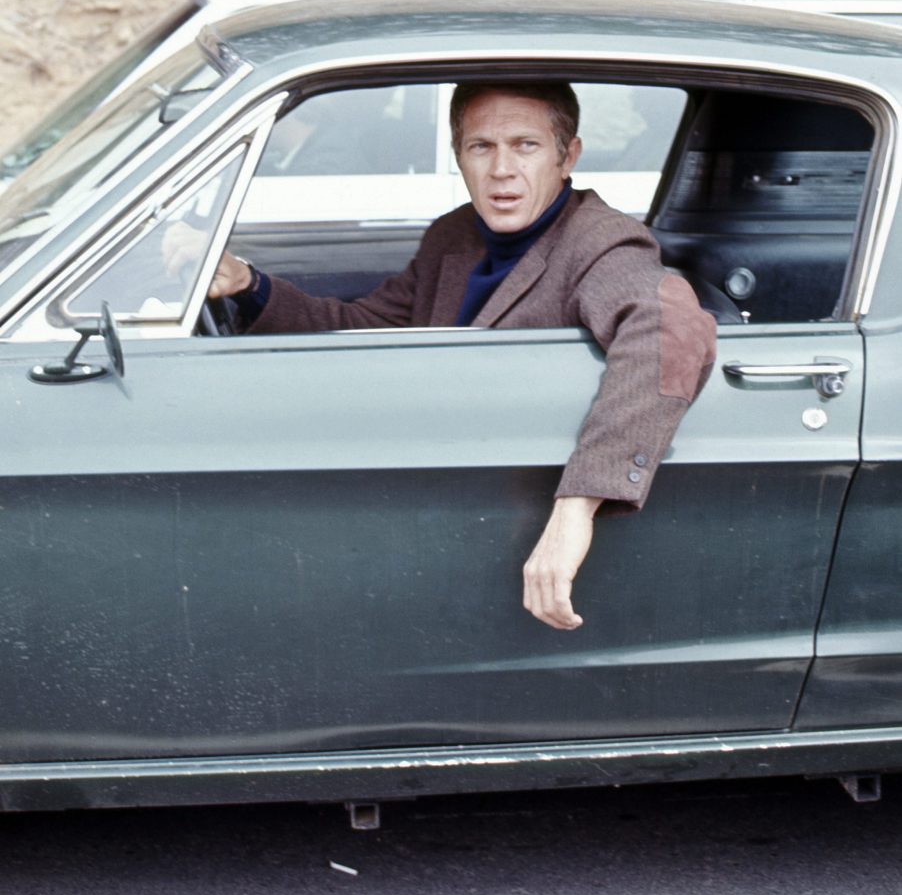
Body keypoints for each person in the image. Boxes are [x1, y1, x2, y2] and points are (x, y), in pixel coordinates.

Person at [201, 82, 717, 631]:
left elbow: (669, 330)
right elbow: (369, 331)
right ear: (458, 156)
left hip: (516, 512)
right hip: (439, 492)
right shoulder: (455, 235)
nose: (501, 170)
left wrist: (578, 506)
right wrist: (249, 285)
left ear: (568, 157)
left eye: (525, 146)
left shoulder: (601, 242)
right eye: (481, 147)